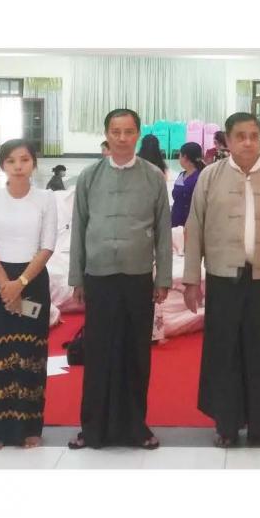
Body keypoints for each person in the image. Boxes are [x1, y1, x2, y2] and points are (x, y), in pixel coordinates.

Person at [183, 111, 260, 448]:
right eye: (240, 136)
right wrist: (191, 279)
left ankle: (258, 427)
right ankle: (226, 426)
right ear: (227, 140)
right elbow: (194, 228)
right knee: (223, 352)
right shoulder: (210, 177)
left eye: (254, 135)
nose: (248, 143)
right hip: (223, 277)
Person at [67, 108, 172, 451]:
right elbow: (79, 228)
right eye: (116, 131)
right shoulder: (90, 176)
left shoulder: (153, 177)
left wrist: (163, 277)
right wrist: (77, 277)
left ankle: (135, 427)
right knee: (98, 353)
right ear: (106, 135)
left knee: (136, 354)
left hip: (137, 276)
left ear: (137, 135)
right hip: (98, 275)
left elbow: (163, 230)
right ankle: (92, 428)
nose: (122, 138)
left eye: (129, 132)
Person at [0, 138, 58, 450]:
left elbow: (47, 245)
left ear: (33, 163)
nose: (18, 166)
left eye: (24, 160)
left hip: (32, 283)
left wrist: (19, 283)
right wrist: (5, 286)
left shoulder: (46, 199)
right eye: (11, 161)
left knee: (29, 356)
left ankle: (28, 427)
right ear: (2, 166)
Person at [170, 141, 206, 228]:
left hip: (191, 223)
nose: (179, 158)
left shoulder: (200, 177)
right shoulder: (182, 174)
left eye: (180, 155)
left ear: (185, 157)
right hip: (176, 219)